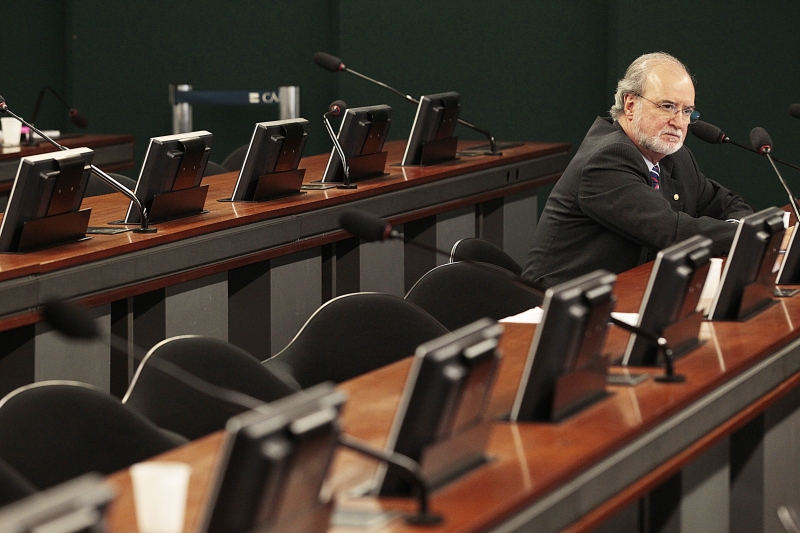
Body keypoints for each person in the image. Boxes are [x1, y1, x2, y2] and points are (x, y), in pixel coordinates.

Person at [522, 52, 753, 289]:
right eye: (667, 106)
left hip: (626, 288)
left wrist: (741, 227)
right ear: (630, 105)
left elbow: (728, 203)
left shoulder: (676, 157)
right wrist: (747, 236)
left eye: (686, 111)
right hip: (558, 300)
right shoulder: (606, 159)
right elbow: (673, 232)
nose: (679, 122)